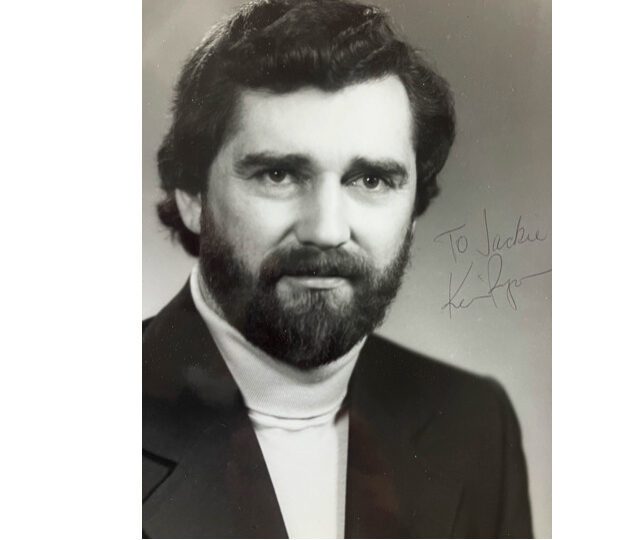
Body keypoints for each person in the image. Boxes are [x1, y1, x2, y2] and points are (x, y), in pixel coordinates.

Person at [142, 0, 533, 537]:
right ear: (191, 195)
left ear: (413, 208)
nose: (326, 230)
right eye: (278, 174)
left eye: (370, 180)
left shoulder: (475, 421)